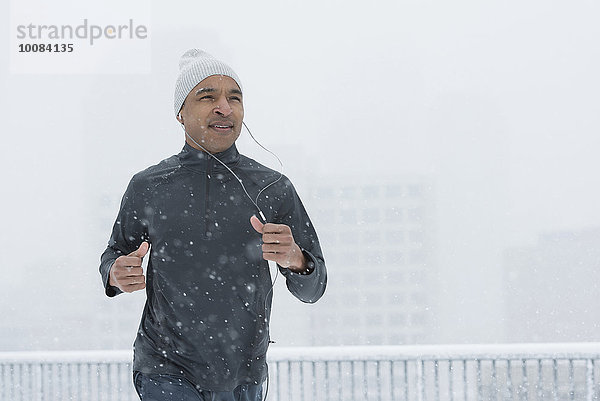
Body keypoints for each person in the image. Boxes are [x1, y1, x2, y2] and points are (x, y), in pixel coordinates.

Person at [99, 49, 327, 401]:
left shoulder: (271, 187)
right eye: (208, 97)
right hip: (165, 370)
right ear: (180, 113)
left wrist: (297, 260)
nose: (225, 107)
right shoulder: (148, 186)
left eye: (234, 97)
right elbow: (114, 254)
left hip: (244, 377)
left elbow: (313, 288)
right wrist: (115, 272)